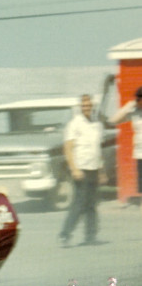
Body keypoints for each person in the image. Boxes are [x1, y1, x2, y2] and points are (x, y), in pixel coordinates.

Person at [59, 94, 106, 246]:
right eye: (84, 106)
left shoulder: (97, 125)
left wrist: (102, 171)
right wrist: (74, 169)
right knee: (79, 203)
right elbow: (68, 148)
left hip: (94, 168)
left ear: (92, 107)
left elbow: (98, 149)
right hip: (81, 169)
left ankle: (90, 235)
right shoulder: (74, 124)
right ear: (80, 107)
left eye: (89, 105)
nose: (86, 108)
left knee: (92, 203)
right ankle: (65, 234)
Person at [108, 85, 142, 205]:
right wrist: (130, 105)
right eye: (139, 101)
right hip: (140, 156)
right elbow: (113, 120)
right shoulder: (135, 112)